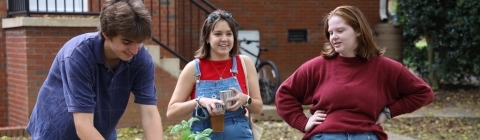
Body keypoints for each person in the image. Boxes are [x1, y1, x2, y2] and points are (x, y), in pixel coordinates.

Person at [275, 5, 434, 140]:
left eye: (340, 31)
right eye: (330, 33)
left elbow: (423, 93)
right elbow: (284, 94)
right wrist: (303, 122)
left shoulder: (386, 67)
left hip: (366, 135)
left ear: (358, 31)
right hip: (325, 136)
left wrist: (388, 112)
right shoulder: (316, 67)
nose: (334, 37)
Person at [26, 0, 163, 139]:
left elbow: (150, 114)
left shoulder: (141, 58)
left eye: (139, 42)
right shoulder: (78, 55)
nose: (134, 50)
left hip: (100, 133)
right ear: (106, 34)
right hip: (56, 133)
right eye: (126, 42)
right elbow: (83, 125)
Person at [166, 10, 263, 139]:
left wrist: (246, 100)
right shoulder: (193, 68)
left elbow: (258, 108)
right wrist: (199, 101)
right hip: (203, 135)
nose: (224, 39)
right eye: (218, 34)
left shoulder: (244, 63)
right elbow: (171, 112)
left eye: (229, 34)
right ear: (207, 38)